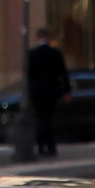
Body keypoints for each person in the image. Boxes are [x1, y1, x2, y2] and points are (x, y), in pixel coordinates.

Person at [24, 27, 71, 158]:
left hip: (38, 92)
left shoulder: (32, 54)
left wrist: (30, 90)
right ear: (48, 37)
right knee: (49, 119)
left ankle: (40, 147)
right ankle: (51, 146)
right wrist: (67, 91)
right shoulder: (56, 53)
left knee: (40, 118)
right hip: (52, 92)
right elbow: (63, 73)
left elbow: (29, 75)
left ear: (37, 37)